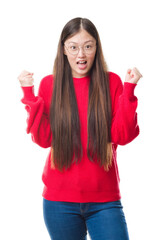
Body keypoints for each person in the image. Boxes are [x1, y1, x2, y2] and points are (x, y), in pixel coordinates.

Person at [18, 17, 142, 240]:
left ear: (96, 47)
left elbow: (122, 136)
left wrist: (129, 90)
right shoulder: (50, 84)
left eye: (88, 46)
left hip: (105, 201)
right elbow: (44, 139)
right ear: (64, 50)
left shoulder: (112, 82)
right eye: (73, 47)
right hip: (59, 203)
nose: (81, 54)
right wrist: (29, 95)